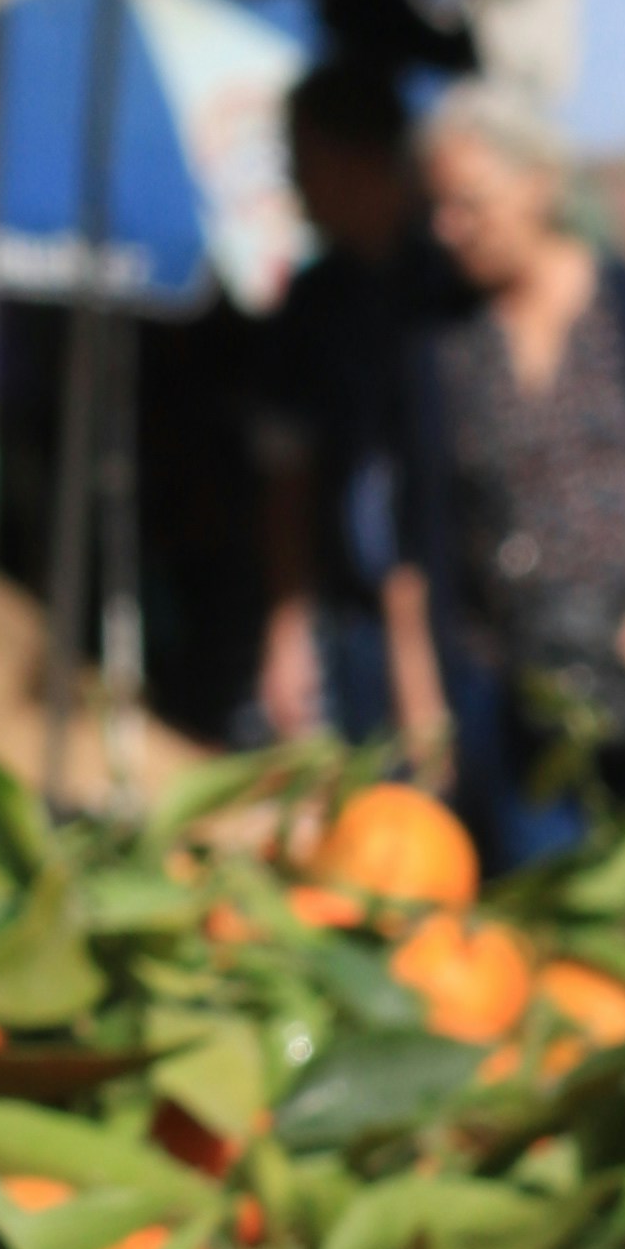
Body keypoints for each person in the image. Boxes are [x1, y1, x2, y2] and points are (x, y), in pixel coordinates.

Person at [396, 92, 625, 863]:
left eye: (468, 203)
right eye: (436, 209)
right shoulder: (442, 342)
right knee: (553, 910)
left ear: (539, 185)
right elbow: (421, 542)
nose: (448, 228)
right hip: (527, 702)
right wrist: (422, 703)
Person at [251, 61, 454, 760]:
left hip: (468, 622)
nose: (294, 181)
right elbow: (288, 472)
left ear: (362, 156)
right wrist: (289, 625)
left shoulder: (456, 287)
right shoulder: (313, 305)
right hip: (356, 620)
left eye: (302, 157)